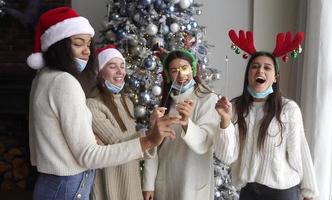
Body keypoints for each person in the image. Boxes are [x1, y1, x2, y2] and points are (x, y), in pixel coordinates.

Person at [27, 7, 180, 200]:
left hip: (52, 183)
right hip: (68, 186)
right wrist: (149, 140)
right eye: (77, 43)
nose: (86, 51)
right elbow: (89, 155)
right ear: (59, 45)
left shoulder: (42, 78)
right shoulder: (65, 83)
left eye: (88, 44)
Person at [214, 51, 319, 200]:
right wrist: (225, 120)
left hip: (282, 192)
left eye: (267, 68)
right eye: (255, 66)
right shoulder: (235, 107)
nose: (260, 70)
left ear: (275, 77)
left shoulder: (288, 109)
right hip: (248, 192)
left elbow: (300, 152)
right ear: (248, 74)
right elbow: (227, 157)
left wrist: (310, 193)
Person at [86, 45, 165, 200]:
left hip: (131, 179)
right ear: (100, 72)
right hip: (111, 183)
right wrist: (150, 134)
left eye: (122, 66)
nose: (120, 71)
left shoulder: (126, 101)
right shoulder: (92, 105)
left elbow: (132, 148)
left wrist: (152, 126)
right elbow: (118, 143)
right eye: (112, 66)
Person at [142, 49, 220, 200]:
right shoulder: (164, 105)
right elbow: (153, 147)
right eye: (174, 70)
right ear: (169, 75)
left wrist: (186, 123)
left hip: (193, 181)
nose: (181, 74)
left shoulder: (208, 99)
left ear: (193, 69)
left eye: (184, 68)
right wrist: (148, 184)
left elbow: (205, 141)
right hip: (166, 181)